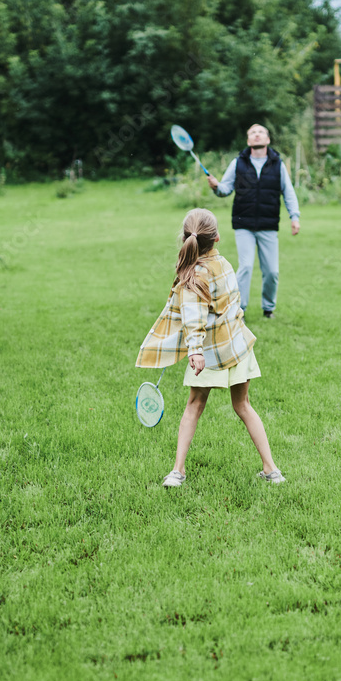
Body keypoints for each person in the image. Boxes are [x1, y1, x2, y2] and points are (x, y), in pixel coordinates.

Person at [136, 208, 285, 488]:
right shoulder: (226, 264)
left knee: (194, 405)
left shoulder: (193, 277)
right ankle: (272, 470)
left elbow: (194, 320)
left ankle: (177, 472)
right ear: (216, 238)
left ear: (185, 238)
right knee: (243, 405)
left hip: (209, 354)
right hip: (237, 347)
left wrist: (194, 351)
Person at [207, 123, 300, 319]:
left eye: (261, 132)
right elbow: (225, 188)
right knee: (246, 267)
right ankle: (240, 309)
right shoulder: (238, 163)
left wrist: (295, 217)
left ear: (267, 139)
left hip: (268, 225)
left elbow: (289, 193)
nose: (257, 135)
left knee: (272, 272)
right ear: (249, 141)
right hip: (244, 224)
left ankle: (268, 309)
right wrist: (216, 186)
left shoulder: (278, 164)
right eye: (253, 133)